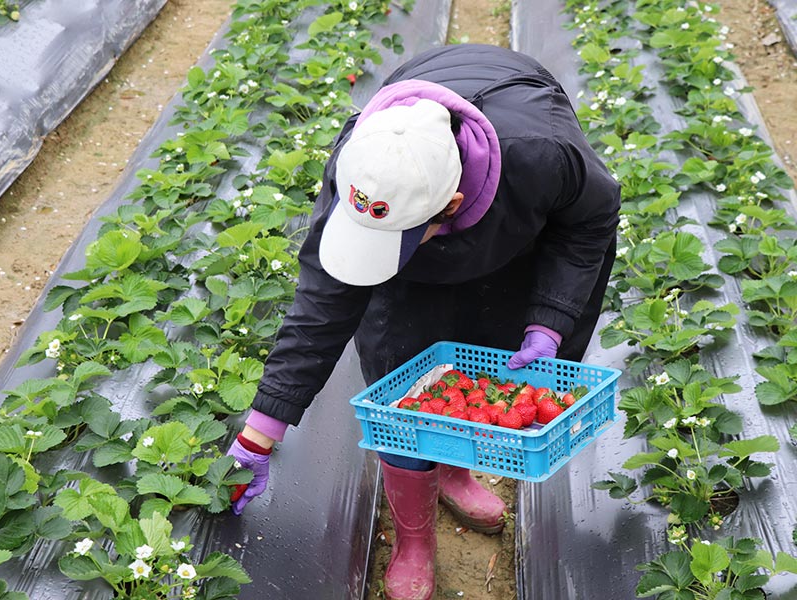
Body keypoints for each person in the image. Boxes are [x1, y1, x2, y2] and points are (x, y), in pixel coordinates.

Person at [227, 43, 620, 600]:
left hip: (514, 228)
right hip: (424, 193)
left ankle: (455, 473)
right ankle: (415, 540)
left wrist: (549, 321)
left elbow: (590, 223)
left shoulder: (542, 154)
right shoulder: (366, 162)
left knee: (488, 355)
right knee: (400, 381)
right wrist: (259, 434)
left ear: (453, 205)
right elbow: (323, 303)